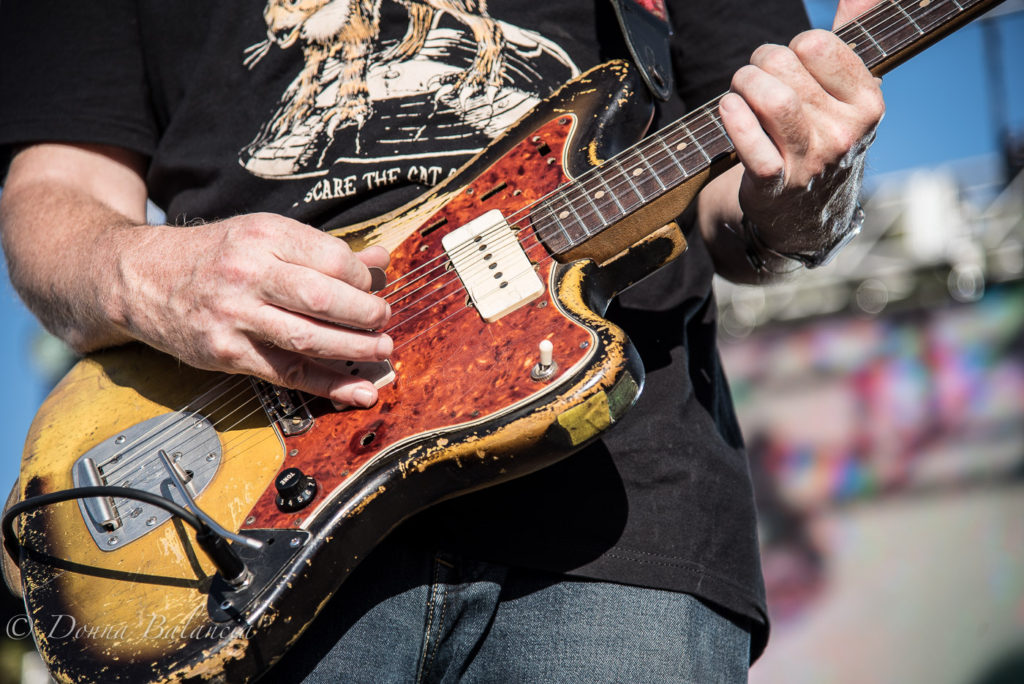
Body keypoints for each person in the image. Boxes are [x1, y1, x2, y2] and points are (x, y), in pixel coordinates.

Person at [0, 0, 882, 680]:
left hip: (622, 518)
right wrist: (155, 274)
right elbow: (56, 191)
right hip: (250, 503)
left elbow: (740, 203)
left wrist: (805, 190)